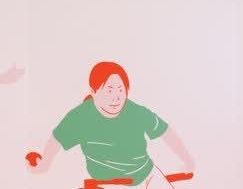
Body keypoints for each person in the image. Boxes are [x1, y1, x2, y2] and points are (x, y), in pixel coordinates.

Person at [28, 61, 194, 188]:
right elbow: (57, 138)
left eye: (121, 90)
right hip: (108, 183)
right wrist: (44, 165)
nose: (116, 98)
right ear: (93, 91)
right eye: (109, 90)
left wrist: (187, 159)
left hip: (146, 175)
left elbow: (165, 132)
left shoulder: (136, 112)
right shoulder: (80, 117)